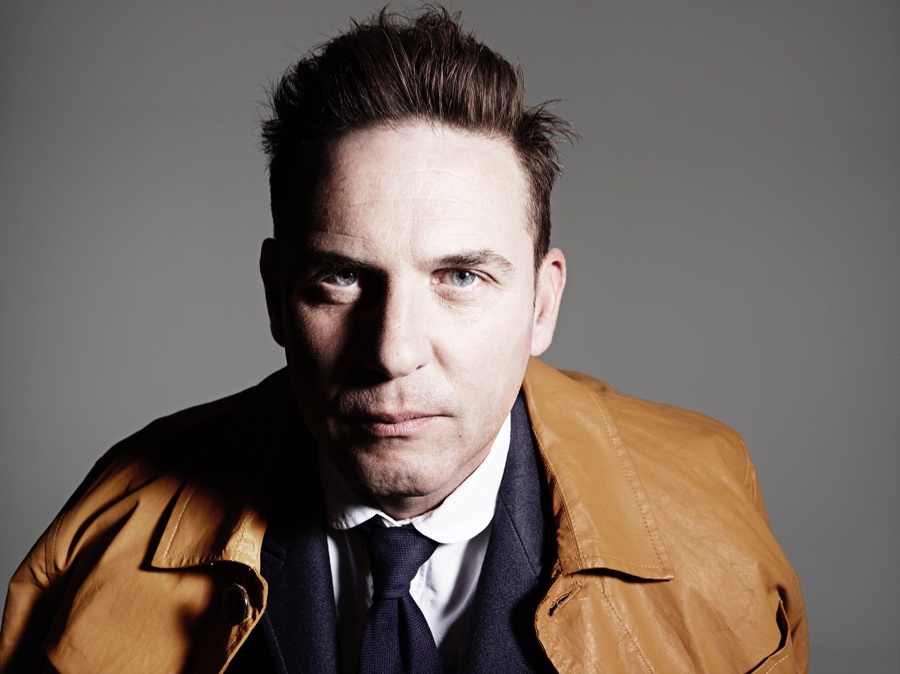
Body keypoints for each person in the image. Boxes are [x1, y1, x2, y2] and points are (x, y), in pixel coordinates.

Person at [0, 7, 807, 674]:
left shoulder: (712, 539)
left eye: (460, 276)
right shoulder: (105, 540)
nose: (392, 352)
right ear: (277, 295)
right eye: (342, 278)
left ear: (542, 303)